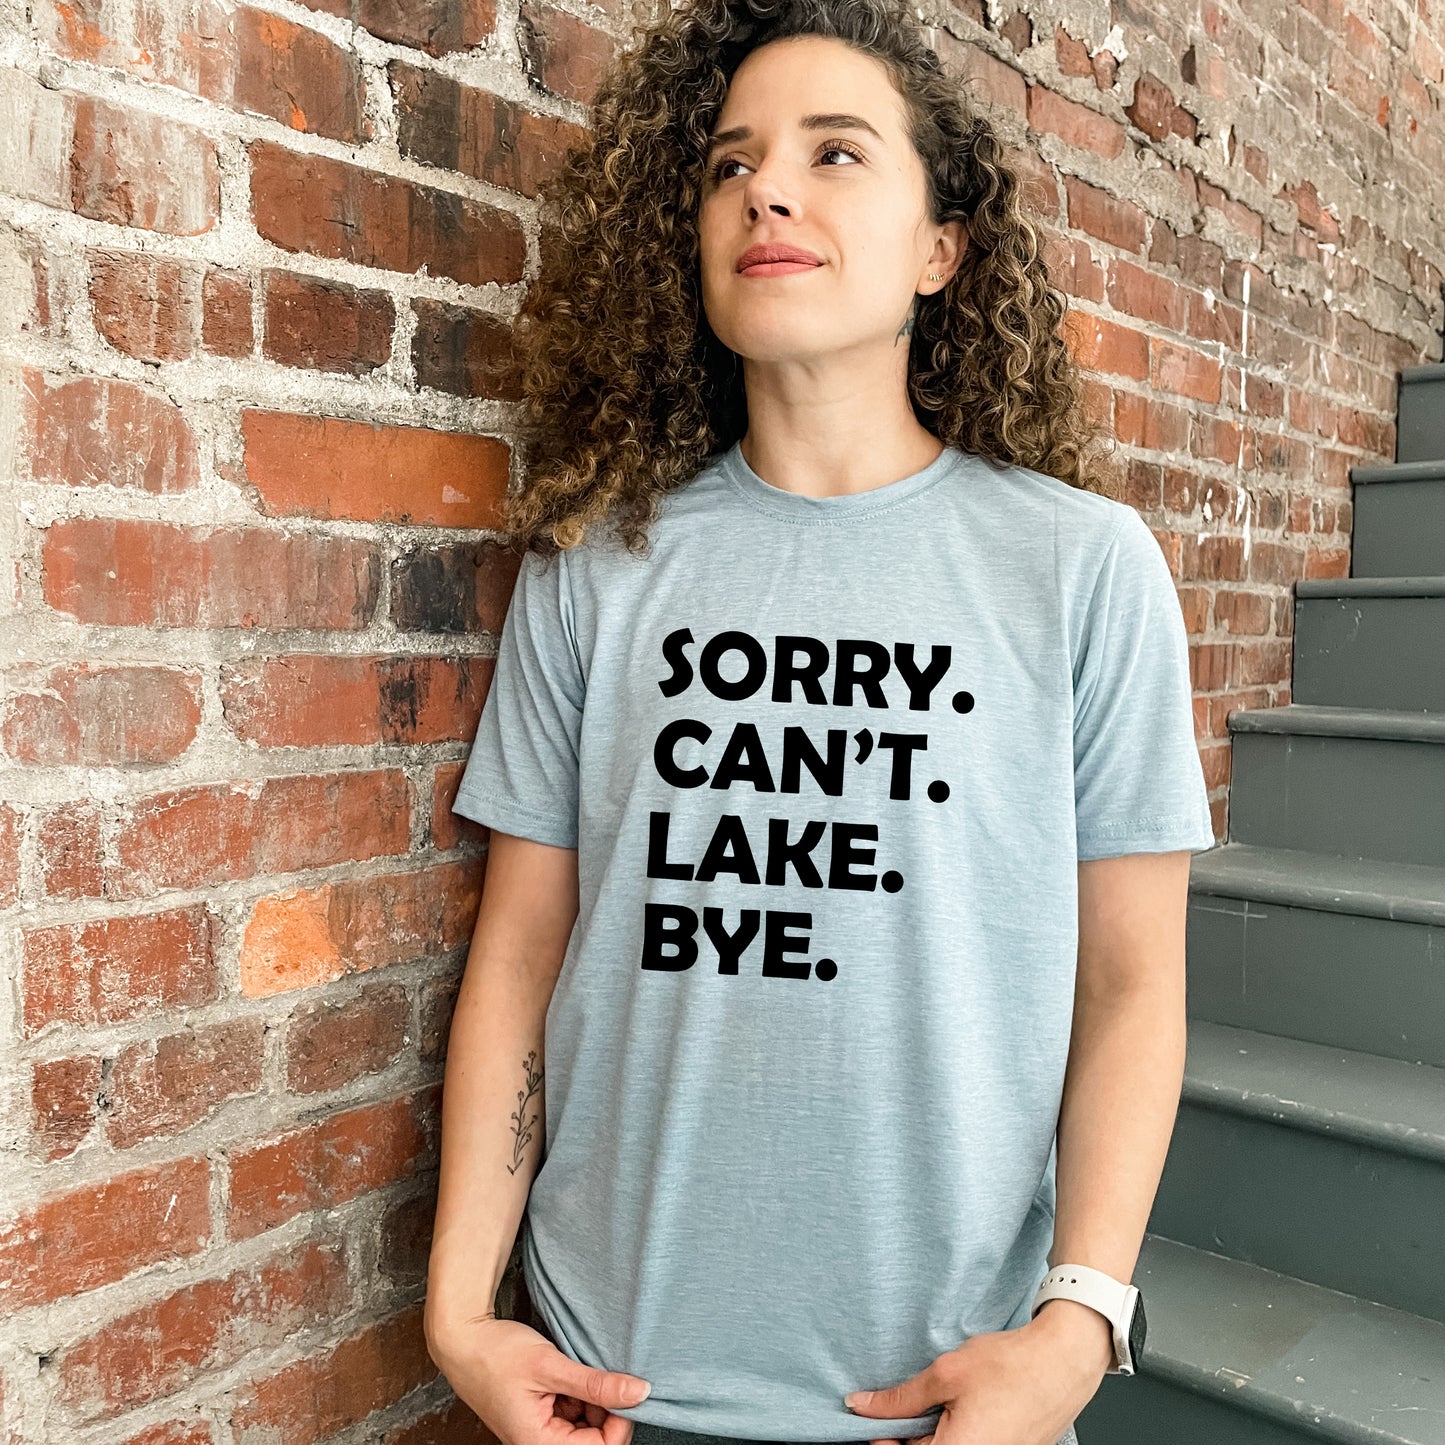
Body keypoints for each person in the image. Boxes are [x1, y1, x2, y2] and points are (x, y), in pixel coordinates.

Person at [422, 1, 1216, 1443]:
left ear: (938, 250)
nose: (766, 190)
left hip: (942, 1402)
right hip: (608, 1392)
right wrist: (460, 1311)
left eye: (834, 153)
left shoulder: (1080, 567)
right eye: (730, 165)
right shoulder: (596, 565)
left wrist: (1079, 1324)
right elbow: (522, 951)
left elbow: (1128, 986)